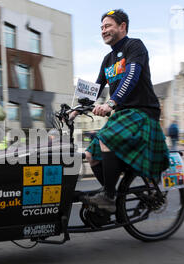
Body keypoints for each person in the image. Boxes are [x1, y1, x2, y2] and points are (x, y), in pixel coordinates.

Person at [70, 9, 169, 212]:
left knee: (107, 138)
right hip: (122, 115)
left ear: (122, 26)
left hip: (142, 112)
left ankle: (108, 196)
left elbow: (131, 76)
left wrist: (111, 103)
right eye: (102, 27)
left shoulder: (135, 46)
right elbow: (95, 89)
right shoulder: (108, 60)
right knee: (91, 155)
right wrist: (75, 110)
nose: (103, 30)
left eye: (108, 26)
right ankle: (111, 197)